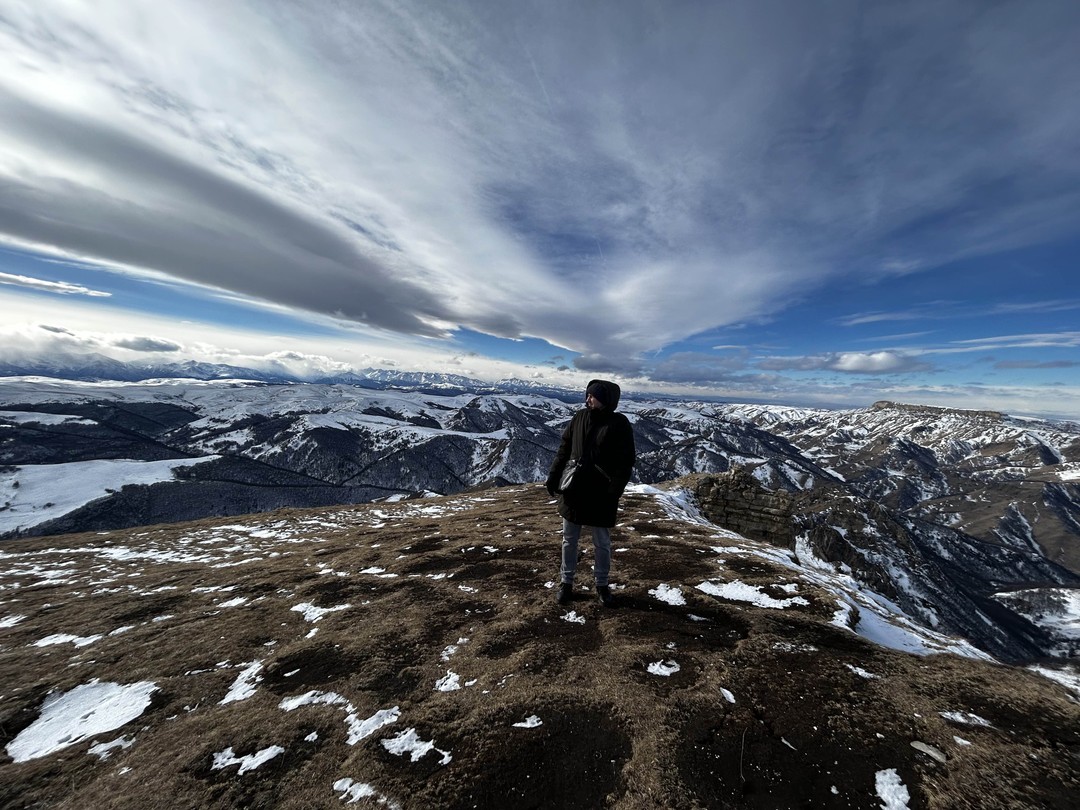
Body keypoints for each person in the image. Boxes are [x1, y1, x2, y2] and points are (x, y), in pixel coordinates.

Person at [545, 379, 636, 606]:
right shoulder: (579, 417)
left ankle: (602, 585)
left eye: (592, 397)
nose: (587, 400)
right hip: (574, 490)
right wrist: (554, 476)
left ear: (605, 400)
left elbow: (625, 463)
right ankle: (566, 584)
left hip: (600, 494)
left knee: (602, 542)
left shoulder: (619, 424)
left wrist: (613, 491)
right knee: (569, 540)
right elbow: (564, 448)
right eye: (587, 395)